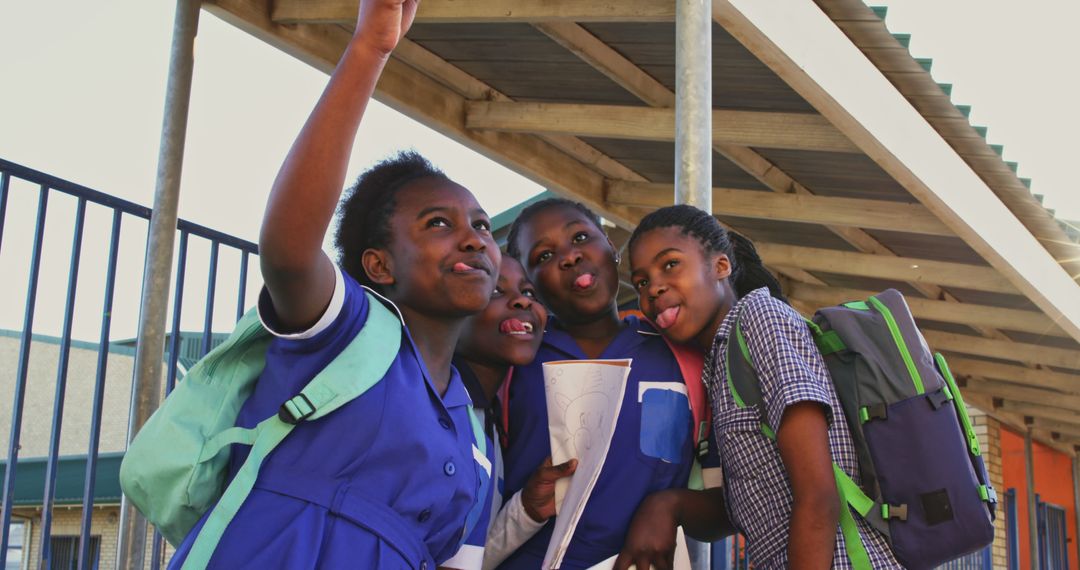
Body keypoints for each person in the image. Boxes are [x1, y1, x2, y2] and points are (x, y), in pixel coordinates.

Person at [168, 1, 502, 568]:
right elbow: (290, 252)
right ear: (377, 266)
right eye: (439, 224)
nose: (473, 239)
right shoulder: (347, 334)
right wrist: (368, 49)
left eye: (482, 226)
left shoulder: (473, 425)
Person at [625, 205, 902, 569]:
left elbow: (819, 495)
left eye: (671, 264)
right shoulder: (717, 365)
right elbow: (745, 510)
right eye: (641, 281)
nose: (654, 288)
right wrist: (667, 505)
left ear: (720, 267)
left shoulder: (759, 319)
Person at [497, 198, 721, 569]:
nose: (569, 257)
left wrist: (670, 505)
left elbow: (731, 505)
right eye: (543, 256)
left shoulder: (683, 357)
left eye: (581, 237)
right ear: (527, 282)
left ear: (611, 248)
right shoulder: (514, 359)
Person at [452, 256, 578, 570]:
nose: (522, 300)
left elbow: (468, 560)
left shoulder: (490, 422)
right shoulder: (432, 404)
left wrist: (527, 510)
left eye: (530, 293)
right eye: (495, 291)